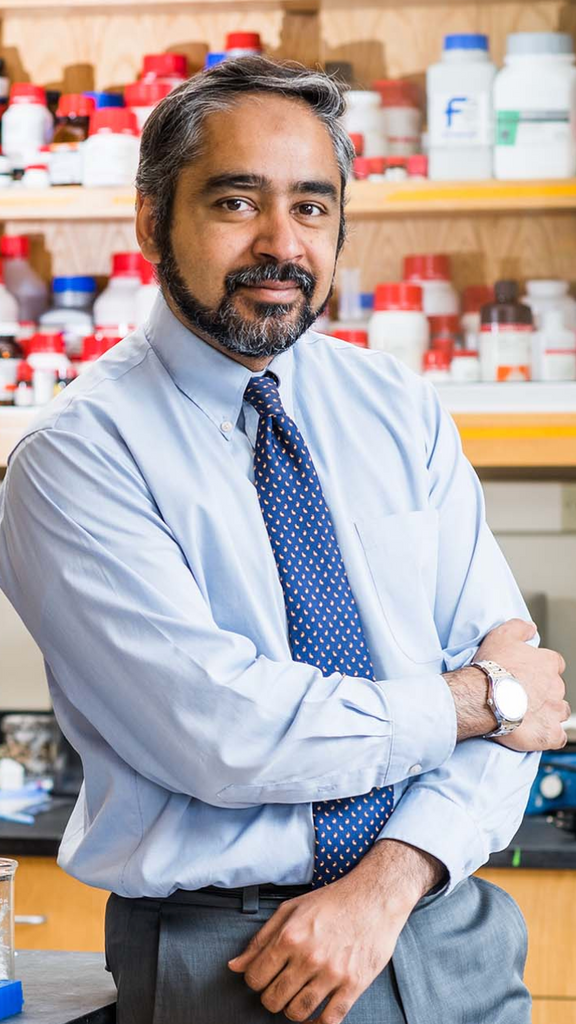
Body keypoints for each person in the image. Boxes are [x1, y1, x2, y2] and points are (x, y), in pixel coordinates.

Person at [0, 56, 569, 1024]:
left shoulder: (395, 406)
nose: (281, 243)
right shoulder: (76, 459)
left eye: (311, 206)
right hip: (238, 956)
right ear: (150, 220)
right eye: (236, 202)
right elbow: (227, 734)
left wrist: (387, 883)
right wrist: (476, 698)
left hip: (446, 922)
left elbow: (525, 695)